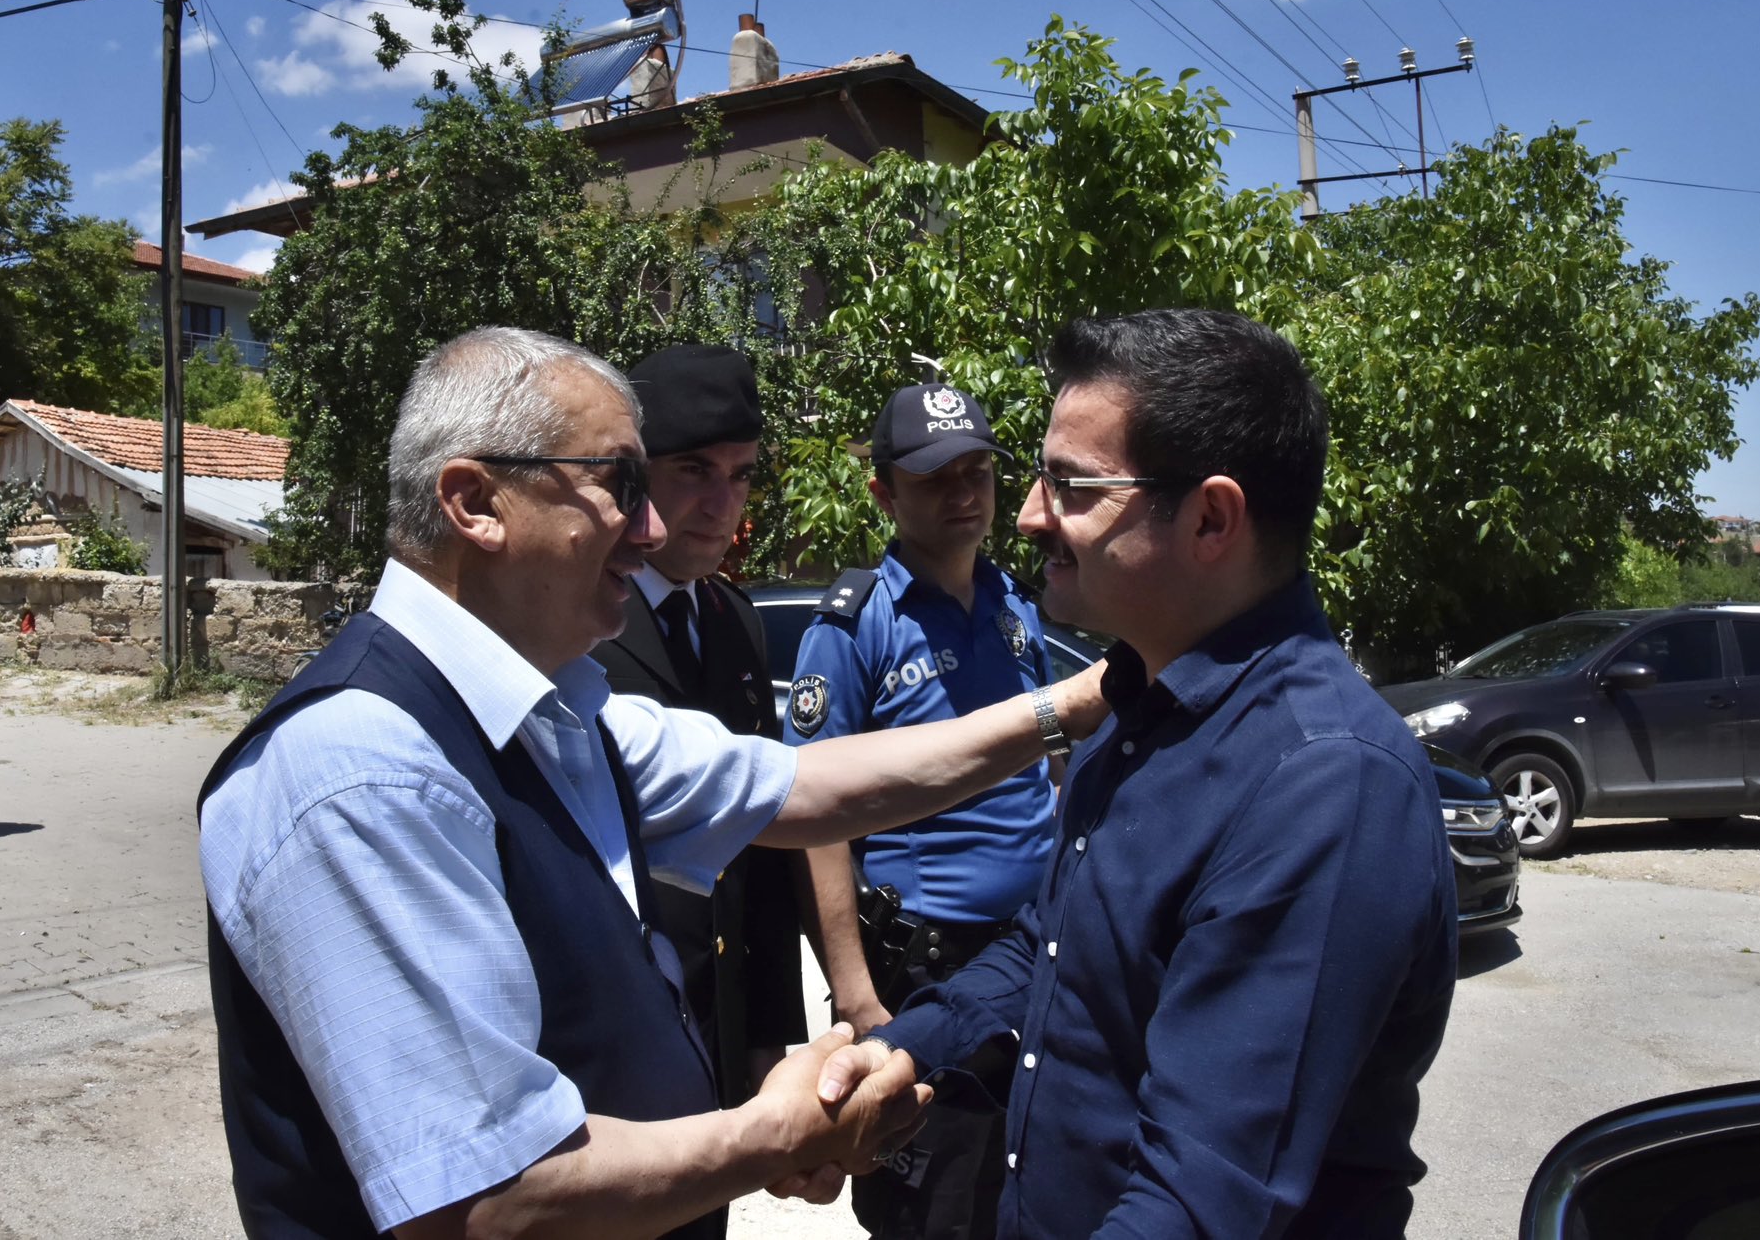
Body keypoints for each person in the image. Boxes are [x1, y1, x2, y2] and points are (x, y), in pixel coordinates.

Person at [196, 327, 1108, 1240]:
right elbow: (489, 1198)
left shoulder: (561, 717)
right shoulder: (364, 772)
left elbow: (811, 787)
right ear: (476, 502)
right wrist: (772, 1134)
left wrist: (1078, 702)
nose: (654, 529)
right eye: (622, 486)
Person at [820, 308, 1458, 1240]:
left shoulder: (1326, 785)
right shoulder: (1137, 708)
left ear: (1210, 518)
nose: (1031, 514)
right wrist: (908, 1046)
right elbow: (1051, 946)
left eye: (1073, 487)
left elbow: (1203, 1200)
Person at [786, 382, 1057, 1240]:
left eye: (978, 470)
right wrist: (857, 994)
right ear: (883, 492)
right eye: (938, 475)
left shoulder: (1018, 609)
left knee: (1025, 1194)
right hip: (927, 972)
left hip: (1033, 955)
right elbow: (817, 821)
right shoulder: (855, 624)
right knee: (931, 1211)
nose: (965, 492)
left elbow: (1043, 773)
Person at [589, 343, 806, 1108]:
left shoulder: (731, 621)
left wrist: (769, 1035)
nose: (724, 505)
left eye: (741, 475)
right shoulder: (581, 622)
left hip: (719, 1023)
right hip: (613, 1034)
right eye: (695, 473)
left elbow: (765, 843)